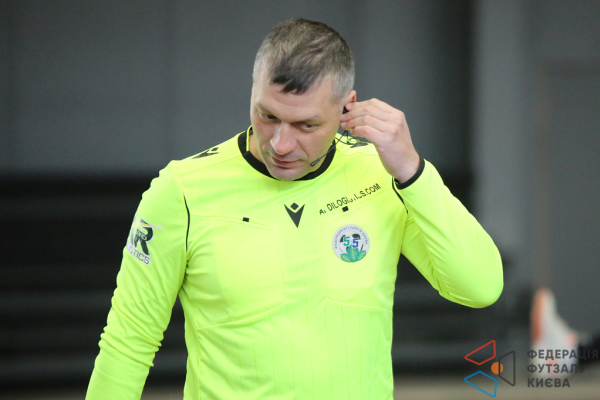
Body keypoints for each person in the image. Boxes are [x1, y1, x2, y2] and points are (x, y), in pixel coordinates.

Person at [85, 18, 503, 399]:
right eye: (267, 116)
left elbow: (480, 287)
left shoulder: (381, 176)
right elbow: (128, 341)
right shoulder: (181, 190)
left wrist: (413, 170)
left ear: (347, 108)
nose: (280, 144)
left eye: (306, 125)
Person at [530, 287, 600, 377]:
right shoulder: (547, 323)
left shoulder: (551, 325)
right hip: (571, 354)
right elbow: (537, 332)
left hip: (573, 352)